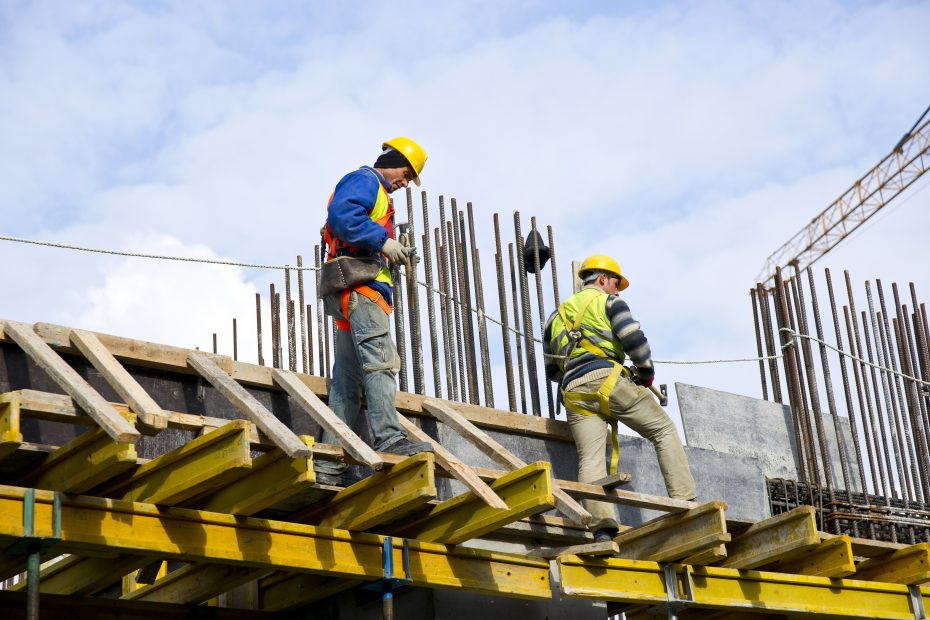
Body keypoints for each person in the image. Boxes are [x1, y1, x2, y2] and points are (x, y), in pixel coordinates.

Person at [543, 255, 696, 541]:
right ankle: (685, 502)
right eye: (615, 284)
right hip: (609, 381)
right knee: (663, 430)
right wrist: (646, 373)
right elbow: (634, 340)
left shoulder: (555, 317)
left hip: (574, 392)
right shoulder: (609, 303)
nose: (617, 290)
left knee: (590, 459)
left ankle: (602, 528)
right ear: (602, 279)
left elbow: (552, 370)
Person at [314, 137, 433, 486]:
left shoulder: (378, 194)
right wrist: (383, 242)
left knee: (348, 384)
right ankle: (390, 438)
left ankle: (329, 464)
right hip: (363, 292)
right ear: (392, 161)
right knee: (382, 363)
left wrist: (390, 249)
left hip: (350, 293)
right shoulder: (367, 181)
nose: (405, 183)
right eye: (406, 173)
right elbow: (342, 216)